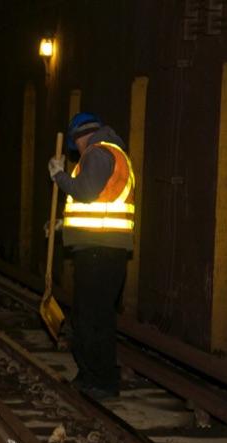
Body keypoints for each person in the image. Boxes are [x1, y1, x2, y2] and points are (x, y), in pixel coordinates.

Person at [47, 112, 135, 399]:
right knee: (95, 316)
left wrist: (58, 175)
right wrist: (63, 226)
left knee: (91, 318)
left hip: (100, 251)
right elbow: (96, 207)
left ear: (79, 137)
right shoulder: (111, 153)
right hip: (103, 248)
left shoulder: (98, 153)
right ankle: (93, 377)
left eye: (76, 145)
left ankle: (100, 381)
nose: (77, 150)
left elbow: (84, 192)